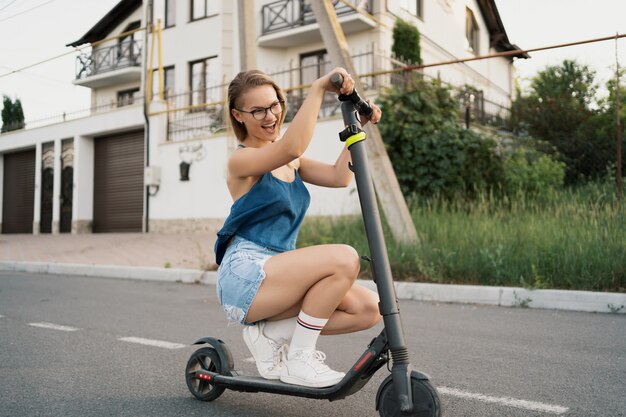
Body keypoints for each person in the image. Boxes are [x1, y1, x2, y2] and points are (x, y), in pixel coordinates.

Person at [214, 67, 382, 388]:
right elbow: (292, 146)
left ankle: (271, 335)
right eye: (258, 110)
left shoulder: (294, 161)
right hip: (246, 273)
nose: (270, 115)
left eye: (275, 104)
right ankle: (299, 360)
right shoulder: (241, 162)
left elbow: (339, 176)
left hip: (280, 272)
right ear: (238, 115)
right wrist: (319, 87)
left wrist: (356, 126)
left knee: (368, 308)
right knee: (344, 258)